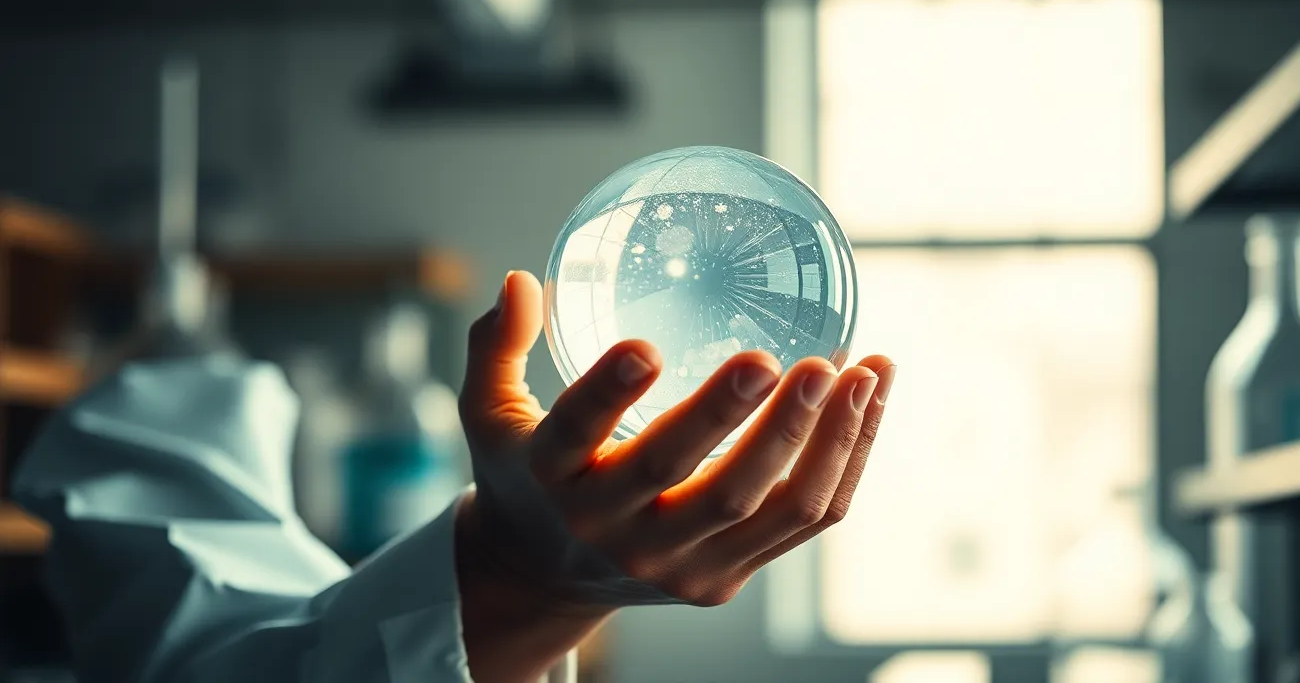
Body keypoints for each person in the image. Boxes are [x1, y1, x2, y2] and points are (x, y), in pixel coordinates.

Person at [15, 271, 894, 683]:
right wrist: (520, 583)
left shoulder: (148, 440)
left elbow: (212, 649)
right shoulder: (165, 449)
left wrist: (523, 583)